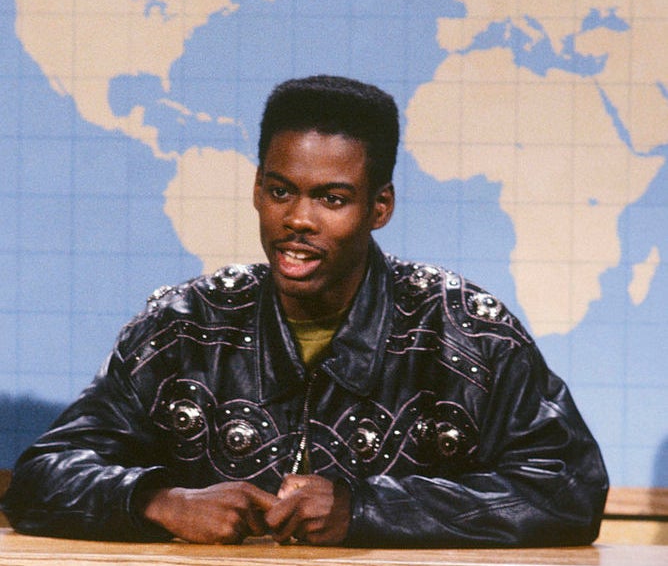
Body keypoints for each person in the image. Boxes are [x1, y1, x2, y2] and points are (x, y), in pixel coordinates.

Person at [2, 75, 608, 547]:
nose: (297, 219)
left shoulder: (464, 333)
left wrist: (365, 510)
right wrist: (160, 501)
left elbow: (569, 492)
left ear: (380, 207)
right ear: (257, 188)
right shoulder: (184, 325)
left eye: (332, 199)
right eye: (280, 190)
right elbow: (40, 476)